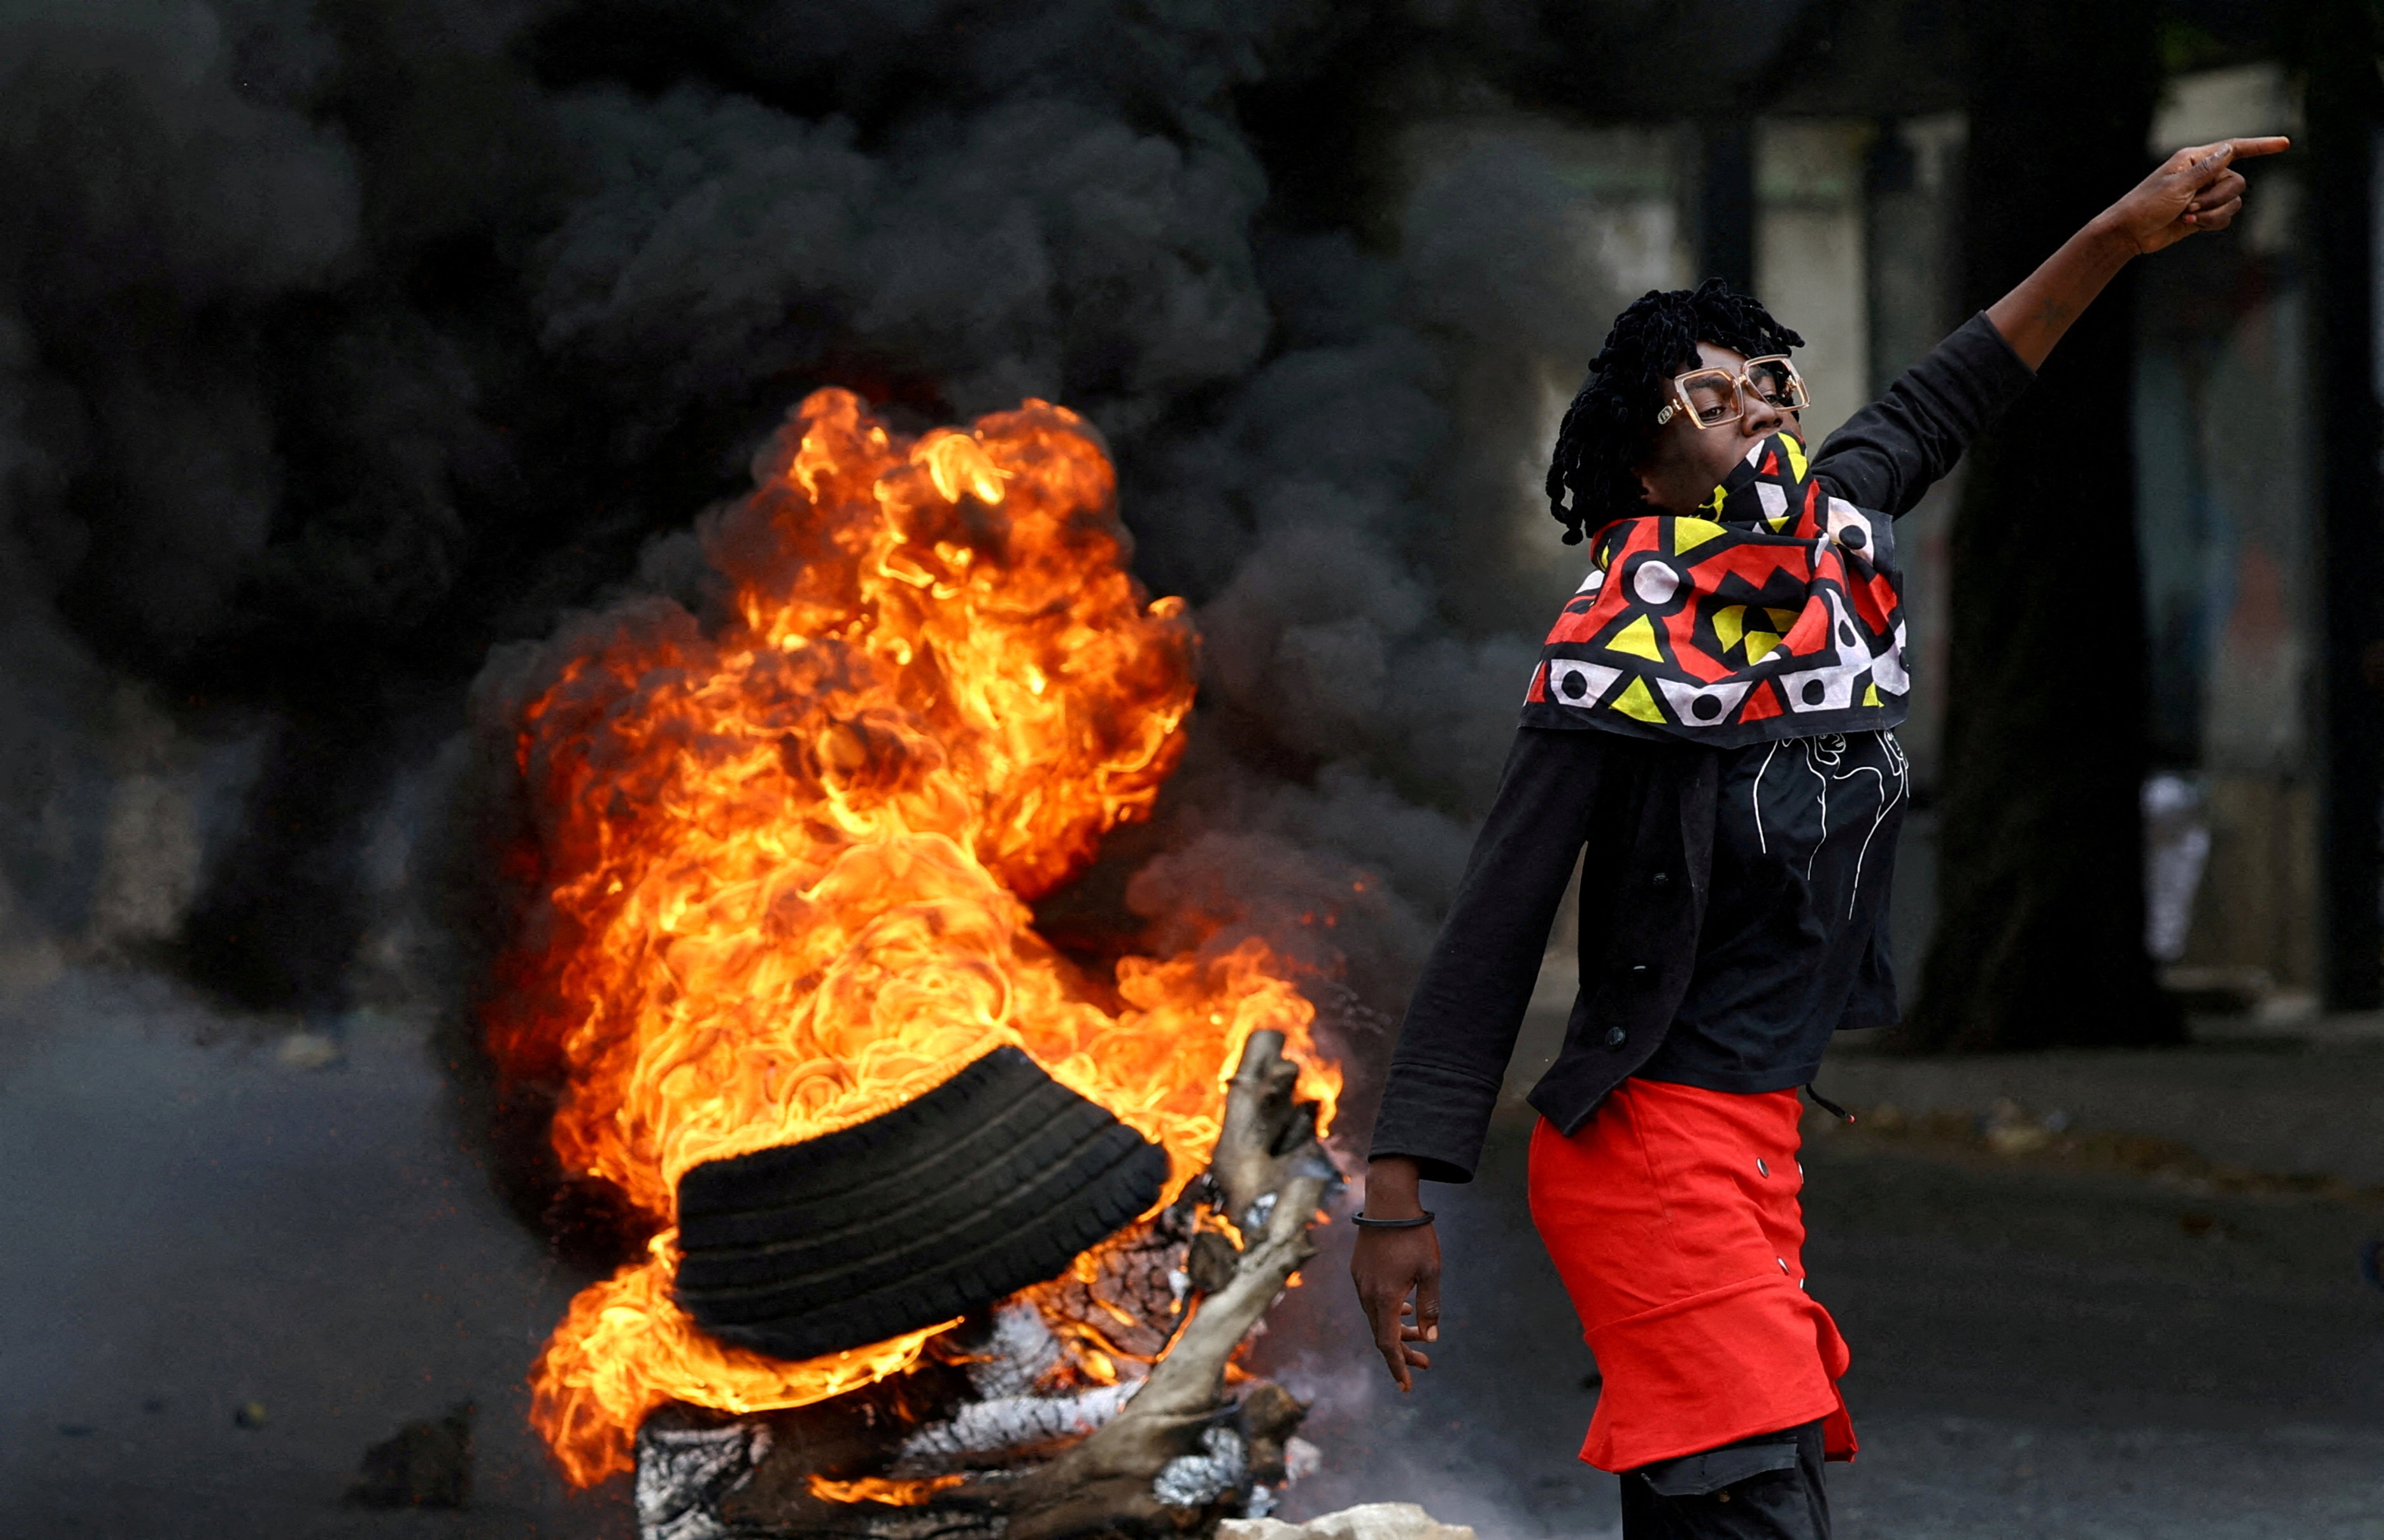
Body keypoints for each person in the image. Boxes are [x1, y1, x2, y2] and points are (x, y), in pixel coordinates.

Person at [1348, 136, 2288, 1539]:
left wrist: (2119, 230)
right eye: (1713, 397)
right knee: (1754, 1508)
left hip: (1759, 1142)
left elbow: (1958, 383)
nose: (1761, 414)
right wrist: (1395, 1199)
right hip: (1648, 1154)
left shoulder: (1835, 547)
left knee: (1720, 1509)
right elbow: (1495, 922)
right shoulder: (1614, 652)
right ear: (1646, 448)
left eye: (1772, 386)